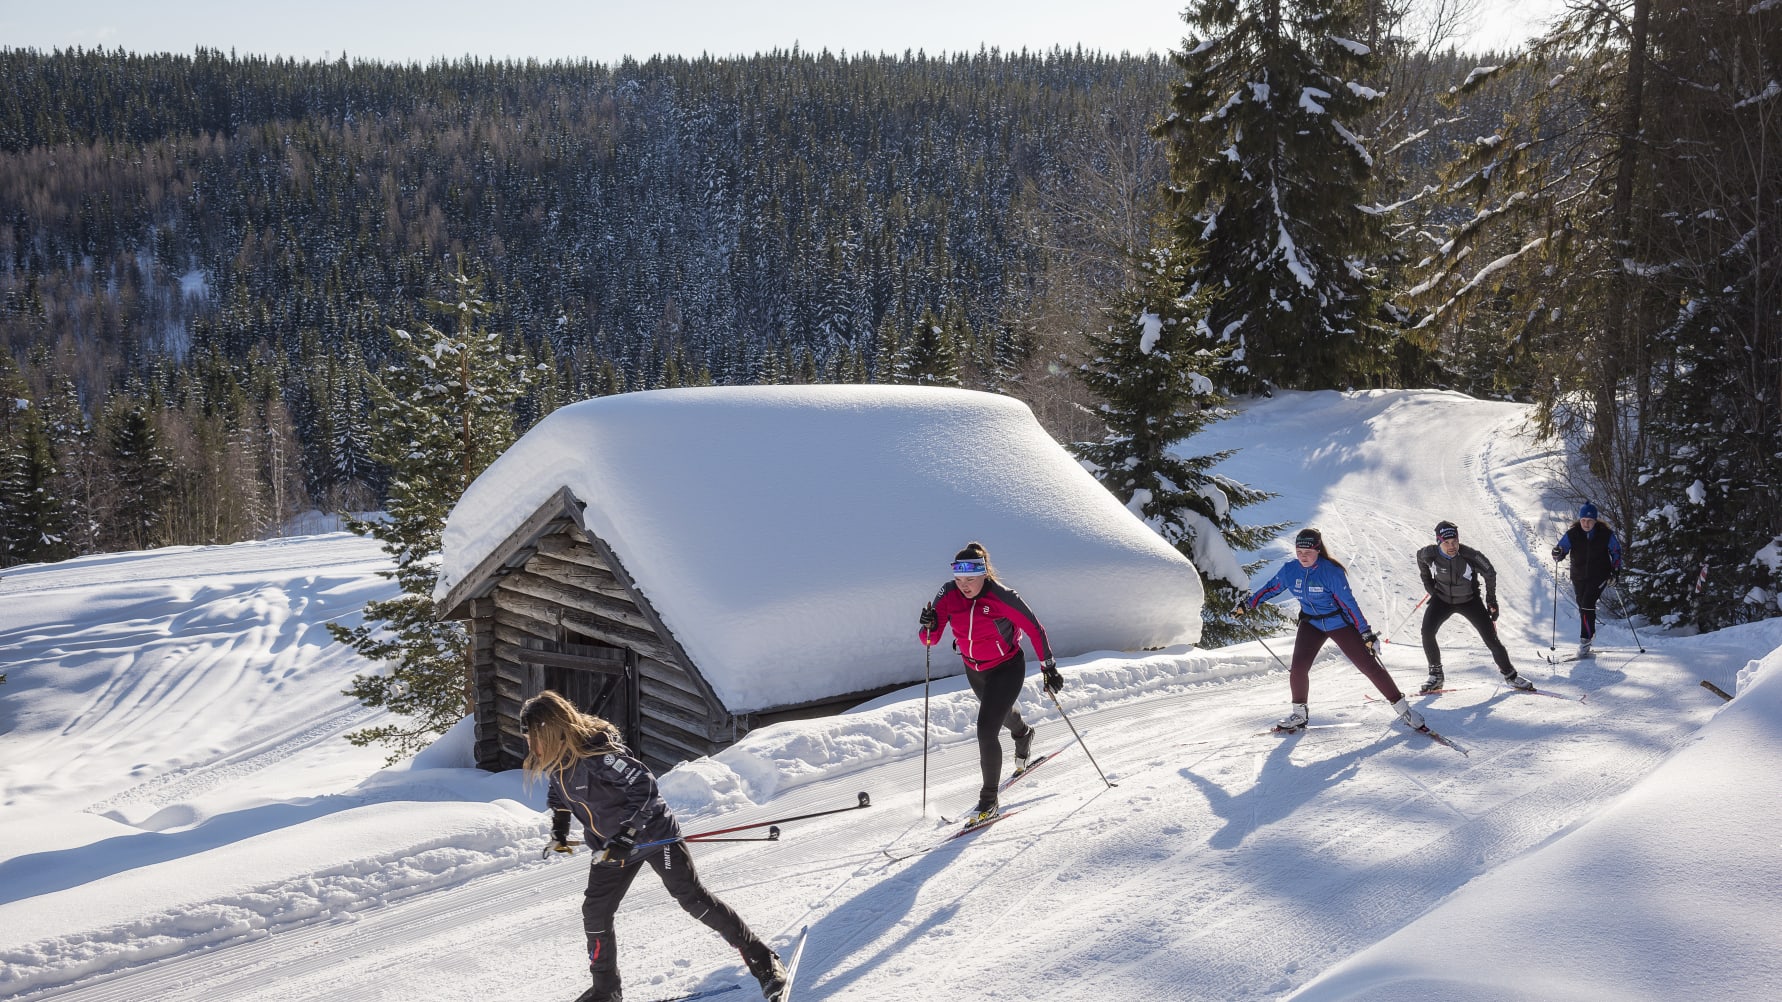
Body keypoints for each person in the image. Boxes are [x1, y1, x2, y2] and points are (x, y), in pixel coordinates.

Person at [521, 690, 789, 1002]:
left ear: (548, 730)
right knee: (595, 912)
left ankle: (763, 960)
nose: (530, 745)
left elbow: (644, 785)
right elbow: (559, 794)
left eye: (531, 736)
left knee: (693, 899)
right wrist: (560, 828)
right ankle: (606, 991)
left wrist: (627, 835)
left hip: (651, 834)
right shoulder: (556, 761)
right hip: (610, 847)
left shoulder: (599, 756)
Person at [918, 541, 1062, 824]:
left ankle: (989, 801)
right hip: (975, 670)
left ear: (984, 574)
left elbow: (1035, 629)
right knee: (1002, 716)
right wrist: (928, 624)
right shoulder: (947, 594)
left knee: (985, 730)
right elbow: (929, 640)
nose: (964, 585)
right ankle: (1023, 734)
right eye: (959, 579)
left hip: (1007, 668)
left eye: (970, 579)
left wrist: (1049, 667)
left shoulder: (1002, 596)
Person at [1236, 527, 1426, 733]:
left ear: (1318, 550)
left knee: (1368, 666)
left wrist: (1365, 633)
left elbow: (1349, 605)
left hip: (1338, 623)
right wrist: (1247, 605)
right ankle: (1299, 715)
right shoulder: (1290, 570)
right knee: (1298, 668)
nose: (1303, 556)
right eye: (1299, 551)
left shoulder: (1331, 572)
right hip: (1311, 623)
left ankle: (1404, 709)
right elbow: (1271, 588)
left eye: (1308, 552)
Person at [1415, 520, 1535, 694]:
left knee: (1491, 639)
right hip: (1441, 600)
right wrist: (1429, 585)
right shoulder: (1429, 553)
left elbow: (1490, 573)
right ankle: (1436, 676)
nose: (1452, 546)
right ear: (1439, 542)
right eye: (1447, 543)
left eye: (1455, 541)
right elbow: (1420, 558)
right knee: (1427, 632)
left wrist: (1491, 601)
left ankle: (1511, 676)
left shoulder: (1470, 555)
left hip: (1469, 601)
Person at [1551, 502, 1623, 657]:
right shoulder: (1573, 534)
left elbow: (1616, 552)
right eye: (1583, 520)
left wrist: (1615, 572)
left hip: (1600, 575)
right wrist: (1557, 553)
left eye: (1590, 520)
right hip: (1578, 576)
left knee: (1587, 604)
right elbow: (1561, 549)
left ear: (1595, 521)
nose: (1586, 523)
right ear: (1580, 520)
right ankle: (1590, 633)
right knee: (1582, 606)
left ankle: (1585, 641)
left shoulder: (1605, 534)